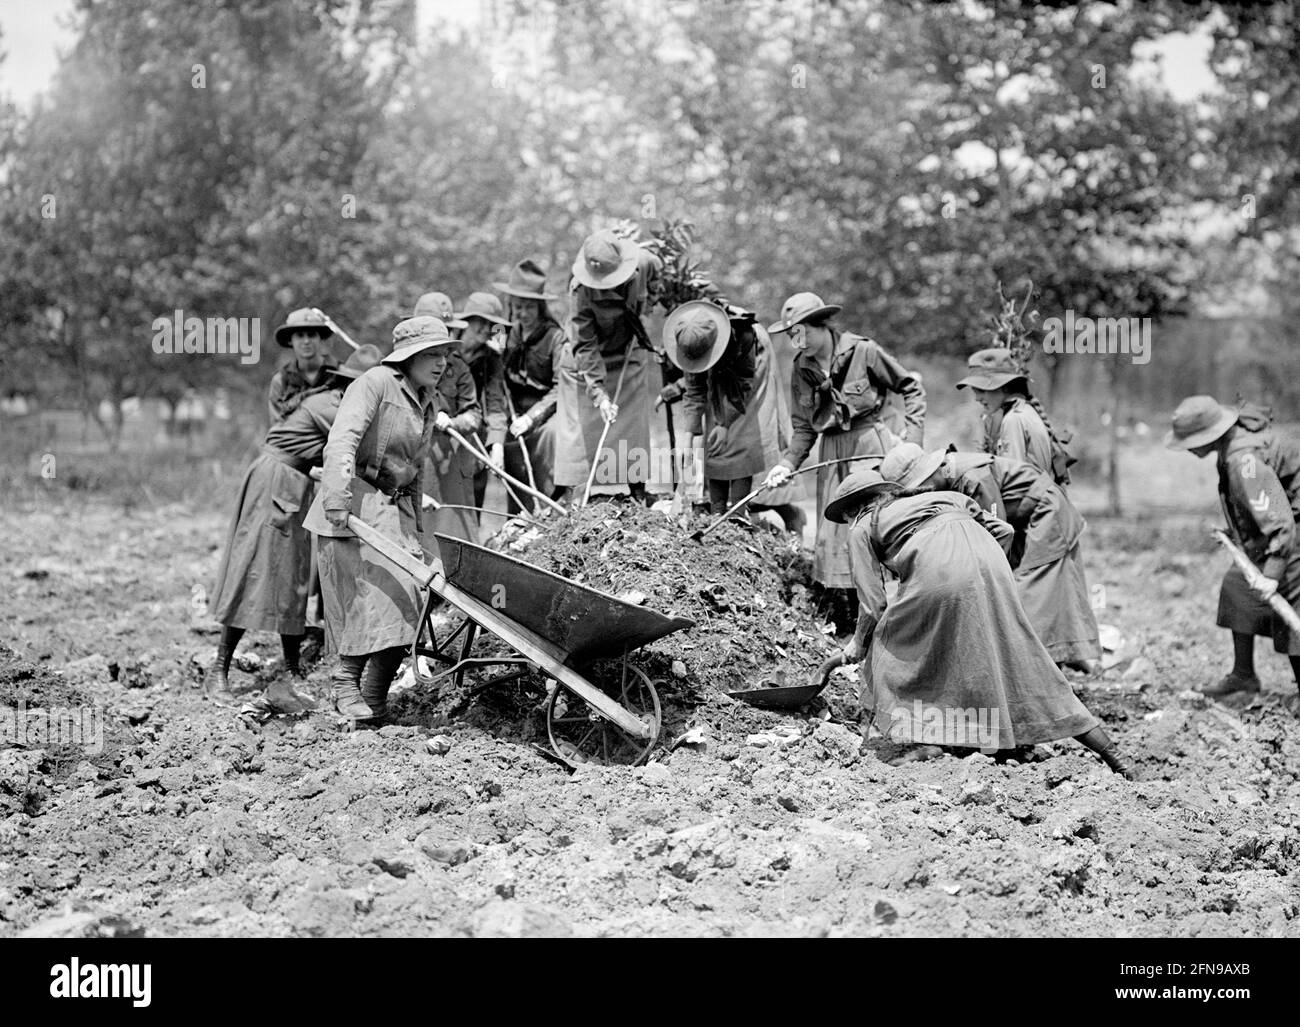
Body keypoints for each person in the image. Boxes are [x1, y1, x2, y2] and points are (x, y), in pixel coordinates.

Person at [825, 468, 1135, 777]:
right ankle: (1110, 752)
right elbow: (1005, 532)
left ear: (853, 510)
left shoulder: (862, 527)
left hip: (941, 575)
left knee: (888, 649)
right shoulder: (945, 497)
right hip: (992, 568)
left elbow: (873, 606)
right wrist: (978, 577)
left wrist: (857, 645)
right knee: (1023, 662)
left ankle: (896, 740)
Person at [207, 345, 384, 711]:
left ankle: (290, 668)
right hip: (275, 482)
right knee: (254, 573)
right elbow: (360, 449)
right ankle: (219, 670)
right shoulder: (333, 405)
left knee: (293, 577)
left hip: (295, 482)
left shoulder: (337, 402)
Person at [302, 317, 451, 722]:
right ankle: (345, 681)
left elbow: (416, 470)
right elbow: (343, 440)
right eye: (432, 355)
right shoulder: (374, 384)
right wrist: (336, 498)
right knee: (371, 600)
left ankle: (375, 697)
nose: (440, 363)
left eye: (444, 355)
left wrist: (418, 531)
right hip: (357, 502)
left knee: (414, 599)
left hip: (396, 508)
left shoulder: (428, 400)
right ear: (409, 357)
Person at [881, 443, 1101, 672]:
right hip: (1023, 518)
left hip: (1046, 514)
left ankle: (1034, 666)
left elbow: (994, 537)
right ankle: (1058, 657)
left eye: (923, 484)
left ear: (935, 469)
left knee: (1030, 591)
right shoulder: (952, 473)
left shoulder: (976, 478)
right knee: (1032, 591)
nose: (923, 492)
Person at [761, 292, 926, 598]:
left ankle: (894, 606)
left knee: (875, 523)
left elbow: (910, 387)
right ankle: (848, 611)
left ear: (822, 324)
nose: (797, 341)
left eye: (802, 332)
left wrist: (912, 444)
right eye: (791, 336)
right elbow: (803, 425)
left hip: (870, 448)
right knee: (838, 529)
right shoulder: (802, 368)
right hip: (833, 454)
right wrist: (787, 463)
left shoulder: (863, 351)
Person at [1166, 395, 1300, 707]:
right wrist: (1239, 536)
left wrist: (1274, 572)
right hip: (1281, 528)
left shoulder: (1243, 460)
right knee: (1237, 586)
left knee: (1291, 607)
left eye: (1189, 441)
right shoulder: (1230, 447)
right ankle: (1243, 676)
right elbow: (1257, 506)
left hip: (1291, 533)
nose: (1187, 448)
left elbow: (1279, 521)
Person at [554, 229, 661, 504]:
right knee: (581, 430)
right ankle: (577, 497)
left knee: (633, 426)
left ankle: (638, 492)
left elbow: (657, 282)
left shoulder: (644, 263)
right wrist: (599, 394)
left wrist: (647, 307)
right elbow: (585, 345)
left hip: (628, 350)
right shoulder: (580, 291)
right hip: (589, 361)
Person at [663, 299, 790, 521]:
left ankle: (738, 515)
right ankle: (717, 513)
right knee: (714, 441)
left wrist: (725, 424)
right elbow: (694, 390)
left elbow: (743, 385)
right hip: (720, 364)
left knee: (742, 432)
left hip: (750, 367)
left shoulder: (745, 335)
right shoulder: (689, 341)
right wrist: (688, 435)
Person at [410, 292, 482, 547]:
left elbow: (474, 415)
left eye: (445, 331)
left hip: (450, 459)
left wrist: (452, 422)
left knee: (454, 530)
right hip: (415, 456)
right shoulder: (404, 367)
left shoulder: (460, 369)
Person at [496, 259, 565, 513]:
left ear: (539, 307)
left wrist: (532, 418)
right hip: (511, 410)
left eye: (527, 307)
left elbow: (560, 388)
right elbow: (493, 368)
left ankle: (550, 508)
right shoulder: (501, 330)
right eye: (516, 307)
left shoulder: (556, 337)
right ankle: (515, 516)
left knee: (552, 436)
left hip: (545, 413)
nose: (521, 314)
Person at [956, 348, 1073, 486]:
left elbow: (1013, 482)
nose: (977, 398)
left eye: (982, 390)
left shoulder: (1014, 420)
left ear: (1004, 386)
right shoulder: (1025, 411)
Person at [452, 292, 512, 510]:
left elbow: (495, 403)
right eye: (482, 322)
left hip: (473, 434)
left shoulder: (491, 359)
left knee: (472, 498)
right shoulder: (444, 348)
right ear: (467, 320)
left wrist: (497, 445)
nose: (487, 329)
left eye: (492, 325)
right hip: (439, 430)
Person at [267, 308, 338, 424]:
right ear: (290, 341)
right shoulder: (281, 381)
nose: (306, 341)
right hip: (296, 439)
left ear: (320, 338)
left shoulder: (341, 375)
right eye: (300, 335)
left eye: (311, 335)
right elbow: (277, 427)